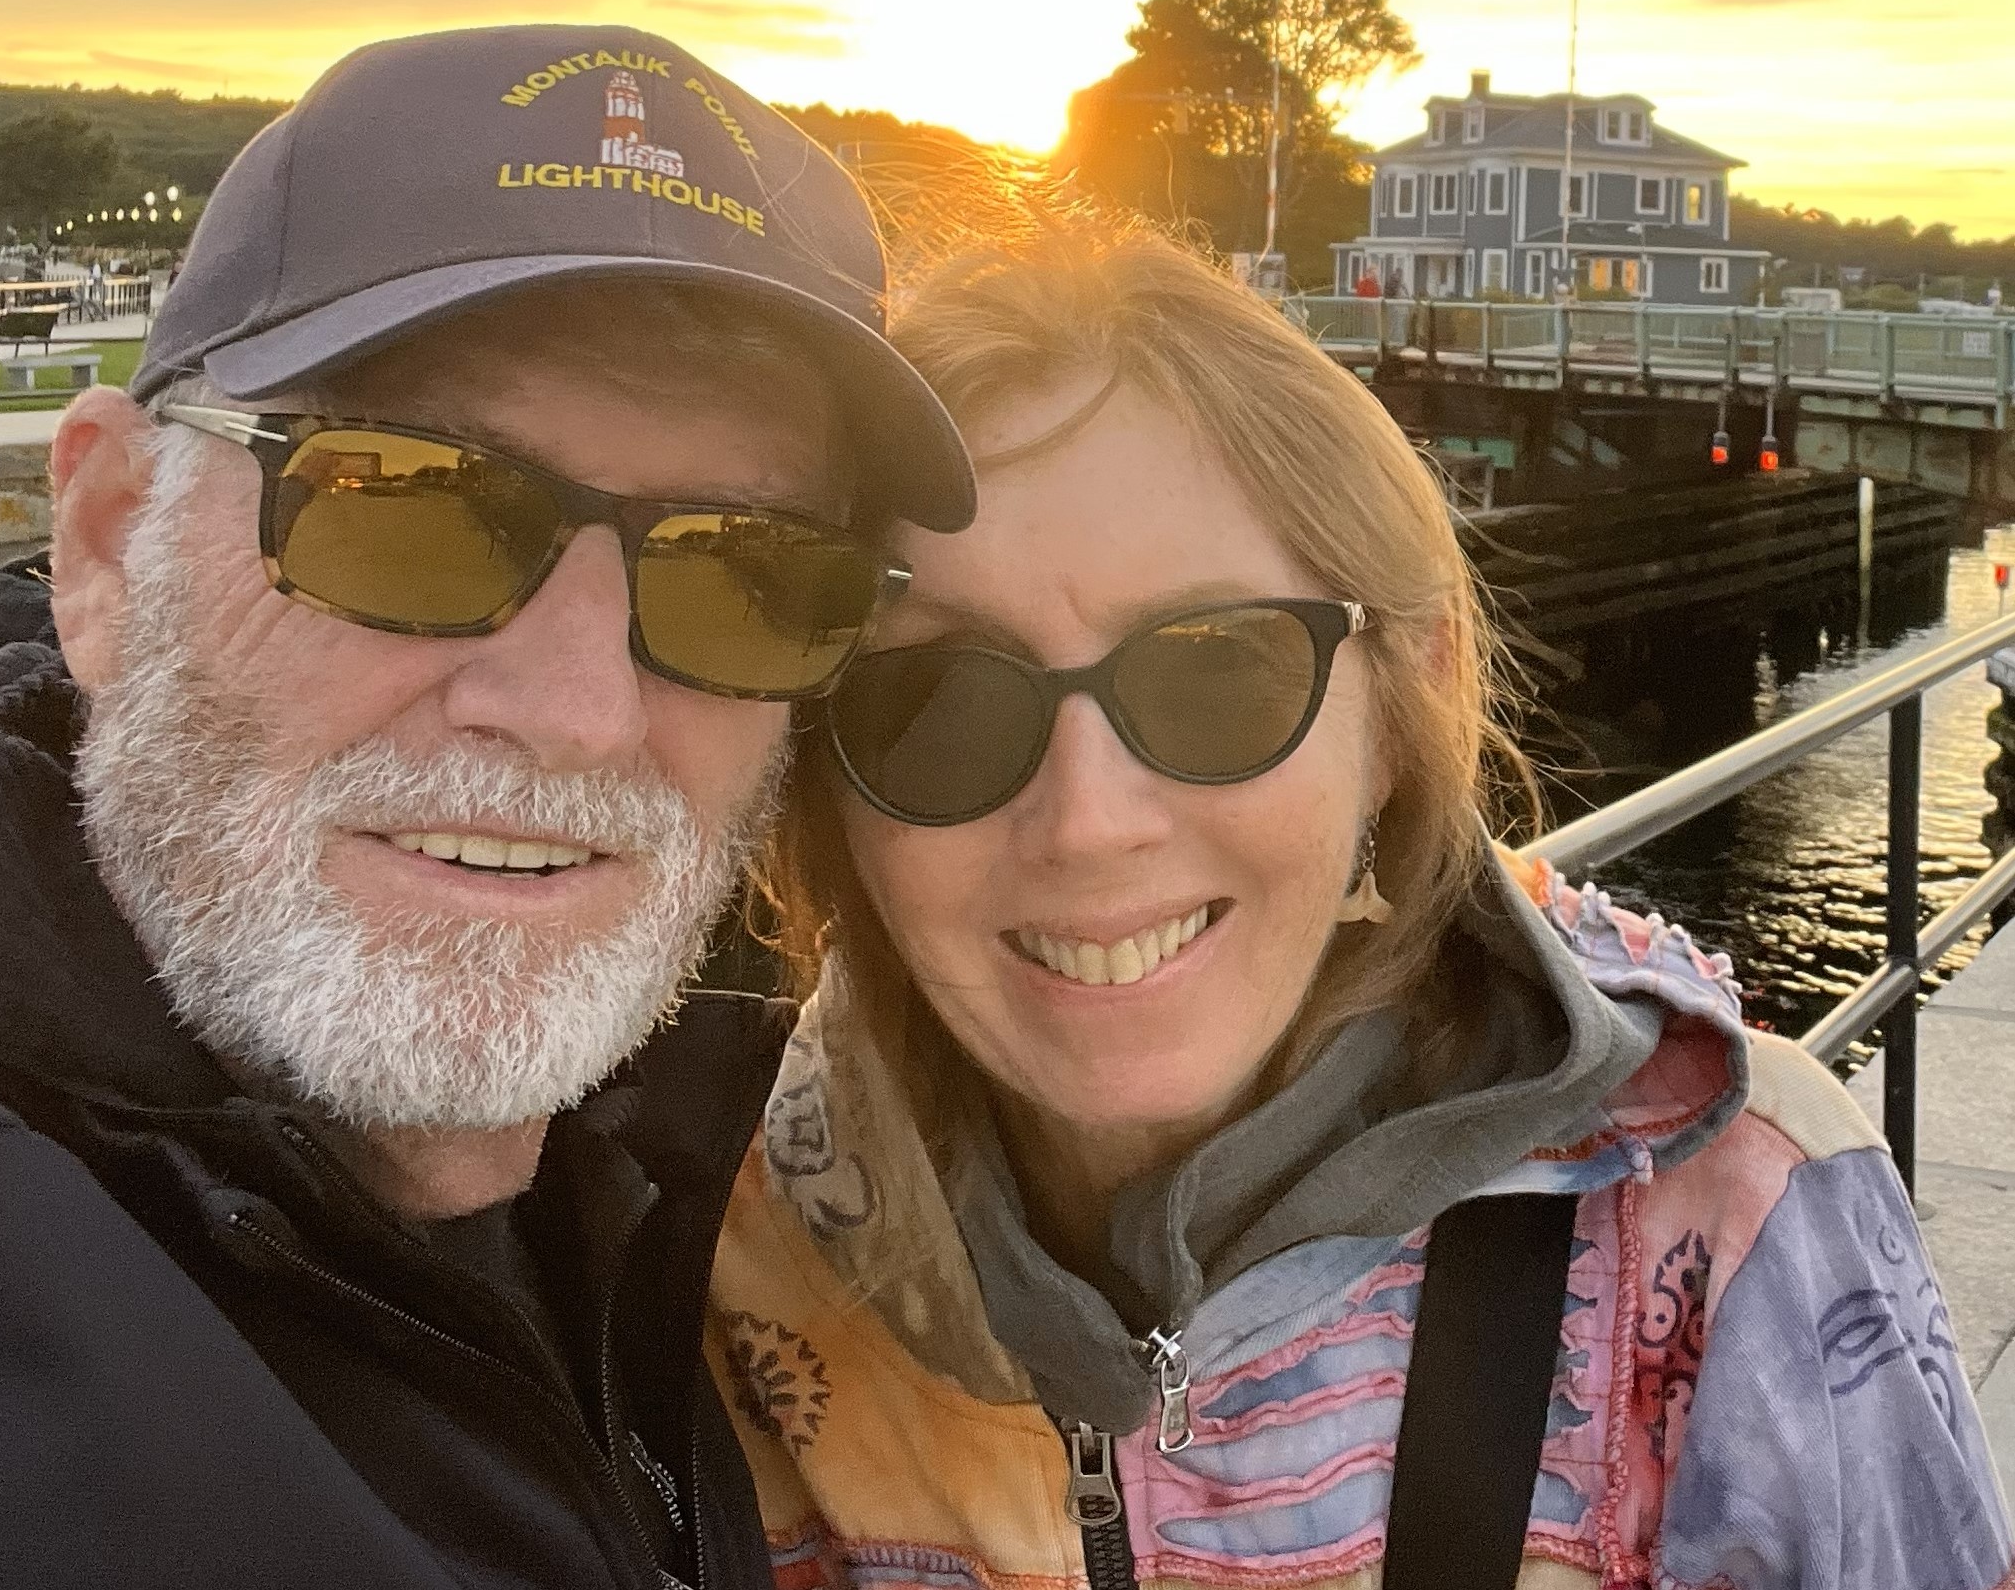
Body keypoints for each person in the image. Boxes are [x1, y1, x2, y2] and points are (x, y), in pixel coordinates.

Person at [0, 26, 974, 1589]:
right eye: (406, 505)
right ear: (103, 538)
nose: (575, 711)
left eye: (744, 570)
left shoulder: (711, 1228)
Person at [704, 213, 2012, 1589]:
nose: (1087, 820)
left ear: (1407, 698)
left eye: (1214, 670)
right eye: (935, 704)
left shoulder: (1734, 1221)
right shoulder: (711, 1257)